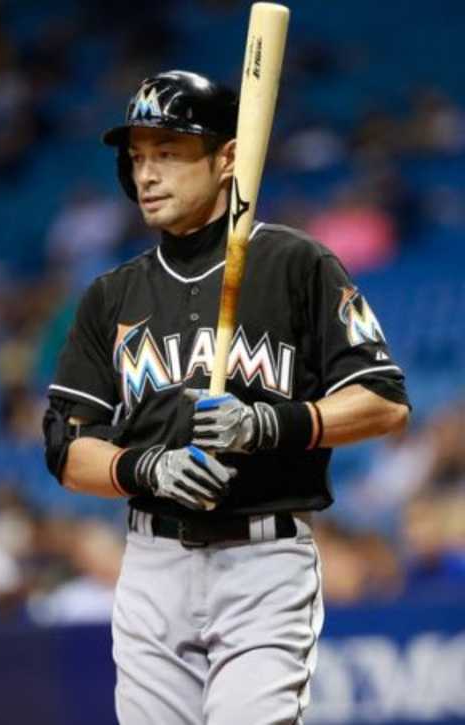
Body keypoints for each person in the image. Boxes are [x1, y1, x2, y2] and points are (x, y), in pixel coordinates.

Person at [43, 70, 410, 725]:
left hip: (263, 562)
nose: (147, 173)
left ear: (227, 158)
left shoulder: (298, 263)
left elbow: (383, 402)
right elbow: (67, 448)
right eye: (137, 157)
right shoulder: (111, 295)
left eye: (168, 152)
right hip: (153, 565)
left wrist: (270, 423)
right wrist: (143, 466)